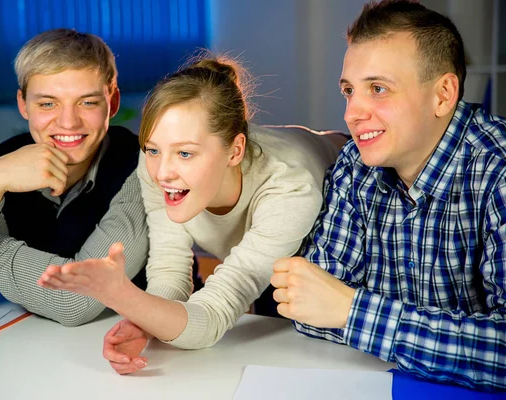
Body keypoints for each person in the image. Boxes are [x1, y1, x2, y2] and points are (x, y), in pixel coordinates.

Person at [38, 55, 343, 373]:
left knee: (290, 329)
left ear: (235, 151)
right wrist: (145, 321)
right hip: (265, 232)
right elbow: (169, 272)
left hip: (330, 225)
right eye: (154, 149)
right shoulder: (155, 164)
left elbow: (213, 317)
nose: (164, 173)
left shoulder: (289, 187)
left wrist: (122, 295)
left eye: (185, 153)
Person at [270, 0, 506, 392]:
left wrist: (352, 310)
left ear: (444, 94)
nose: (351, 114)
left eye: (378, 89)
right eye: (348, 91)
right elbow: (307, 308)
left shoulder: (497, 170)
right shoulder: (355, 164)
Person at [0, 28, 149, 327]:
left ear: (112, 102)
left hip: (135, 345)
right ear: (23, 104)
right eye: (47, 103)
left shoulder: (142, 166)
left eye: (88, 102)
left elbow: (76, 301)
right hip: (33, 346)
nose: (68, 122)